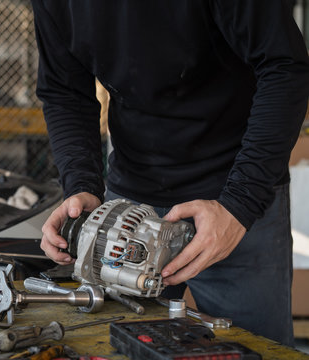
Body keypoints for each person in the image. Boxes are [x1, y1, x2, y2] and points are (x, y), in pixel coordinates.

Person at [31, 0, 309, 346]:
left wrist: (240, 204)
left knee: (254, 350)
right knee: (117, 348)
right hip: (129, 207)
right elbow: (64, 90)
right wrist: (81, 186)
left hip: (233, 203)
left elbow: (284, 66)